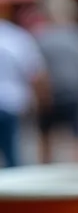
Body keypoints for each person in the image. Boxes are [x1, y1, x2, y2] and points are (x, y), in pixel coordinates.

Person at [33, 0, 78, 163]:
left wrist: (40, 95)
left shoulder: (41, 36)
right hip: (76, 92)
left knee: (46, 136)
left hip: (50, 93)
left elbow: (38, 71)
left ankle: (46, 172)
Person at [0, 10, 46, 167]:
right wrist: (39, 98)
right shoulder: (17, 37)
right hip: (13, 102)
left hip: (11, 103)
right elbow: (34, 71)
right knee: (12, 153)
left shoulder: (17, 37)